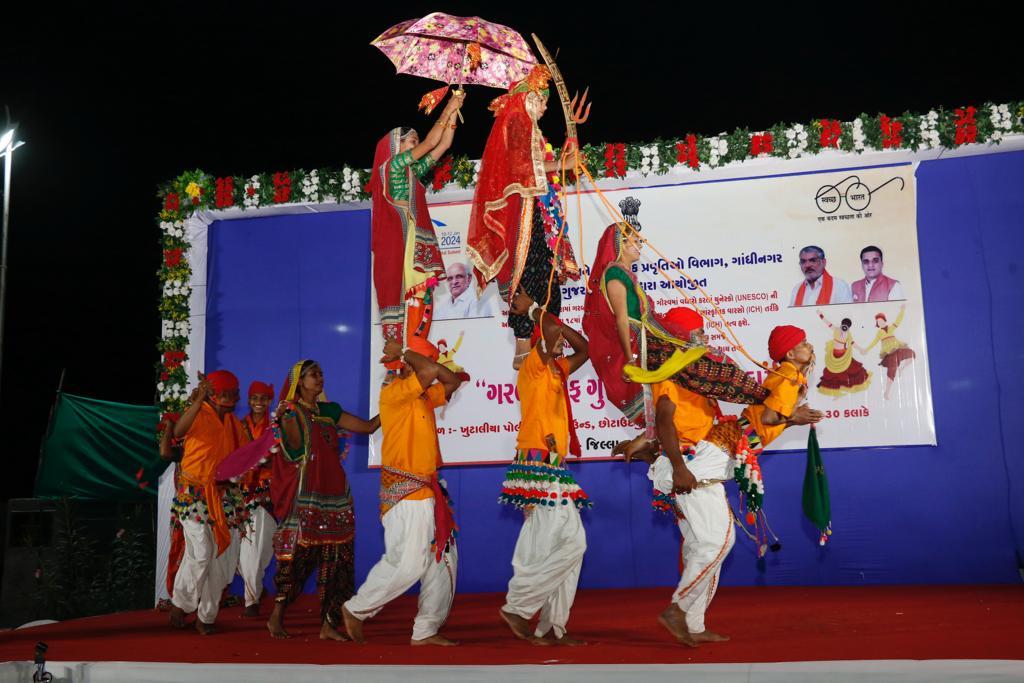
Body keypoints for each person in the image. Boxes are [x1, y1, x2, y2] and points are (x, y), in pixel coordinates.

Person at [638, 326, 823, 647]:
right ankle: (678, 608)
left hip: (726, 445)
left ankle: (693, 624)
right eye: (802, 343)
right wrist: (794, 417)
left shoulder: (786, 375)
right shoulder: (790, 376)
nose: (810, 346)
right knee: (719, 542)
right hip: (728, 446)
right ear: (790, 354)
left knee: (705, 545)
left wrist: (792, 415)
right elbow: (767, 419)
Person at [581, 222, 768, 458]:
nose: (640, 244)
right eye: (635, 240)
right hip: (644, 344)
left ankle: (761, 397)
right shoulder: (615, 274)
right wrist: (630, 361)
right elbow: (621, 320)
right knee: (701, 359)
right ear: (621, 242)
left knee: (706, 358)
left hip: (653, 341)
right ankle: (763, 399)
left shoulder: (625, 274)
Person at [342, 341, 464, 646]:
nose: (431, 369)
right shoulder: (394, 393)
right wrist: (406, 350)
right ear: (407, 366)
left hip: (429, 490)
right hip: (406, 493)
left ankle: (426, 630)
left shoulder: (424, 397)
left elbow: (450, 380)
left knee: (442, 561)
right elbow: (433, 370)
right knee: (408, 563)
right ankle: (357, 609)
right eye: (424, 362)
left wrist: (412, 354)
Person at [467, 65, 581, 369]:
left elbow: (537, 165)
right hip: (524, 216)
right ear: (528, 97)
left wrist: (561, 159)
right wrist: (562, 163)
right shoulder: (517, 120)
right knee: (532, 272)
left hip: (539, 213)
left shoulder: (529, 127)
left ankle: (544, 338)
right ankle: (522, 344)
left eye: (546, 101)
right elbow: (521, 170)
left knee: (548, 278)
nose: (544, 107)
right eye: (541, 100)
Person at [263, 361, 380, 641]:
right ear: (300, 382)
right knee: (297, 558)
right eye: (314, 375)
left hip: (337, 495)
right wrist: (284, 418)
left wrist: (395, 400)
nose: (320, 379)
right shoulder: (290, 412)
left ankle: (329, 624)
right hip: (306, 497)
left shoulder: (329, 411)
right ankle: (276, 616)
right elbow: (294, 447)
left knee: (339, 561)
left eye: (321, 374)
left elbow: (367, 427)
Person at [498, 300, 590, 646]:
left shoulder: (557, 370)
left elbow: (586, 348)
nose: (560, 343)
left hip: (552, 466)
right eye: (554, 341)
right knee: (568, 543)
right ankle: (518, 608)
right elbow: (550, 330)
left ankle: (552, 627)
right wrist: (536, 311)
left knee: (561, 544)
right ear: (540, 344)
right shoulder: (534, 367)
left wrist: (557, 328)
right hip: (539, 465)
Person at [369, 91, 465, 348]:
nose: (417, 144)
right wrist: (448, 106)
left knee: (420, 317)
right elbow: (433, 142)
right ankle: (402, 371)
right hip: (401, 257)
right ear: (395, 146)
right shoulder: (393, 167)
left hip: (415, 258)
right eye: (412, 141)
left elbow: (442, 145)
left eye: (416, 141)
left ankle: (413, 365)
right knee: (406, 323)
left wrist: (455, 111)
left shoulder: (411, 172)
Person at [169, 370, 247, 635]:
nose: (232, 397)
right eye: (226, 392)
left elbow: (246, 459)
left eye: (235, 393)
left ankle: (207, 617)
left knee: (222, 563)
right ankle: (181, 602)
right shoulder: (199, 413)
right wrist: (197, 401)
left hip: (224, 499)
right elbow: (178, 431)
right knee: (201, 553)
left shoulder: (235, 425)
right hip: (194, 496)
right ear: (213, 394)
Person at [236, 381, 276, 617]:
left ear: (269, 401)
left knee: (263, 548)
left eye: (263, 399)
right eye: (254, 398)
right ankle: (251, 598)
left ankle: (256, 586)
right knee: (248, 546)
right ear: (248, 401)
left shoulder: (275, 428)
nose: (258, 403)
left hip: (270, 493)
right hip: (243, 492)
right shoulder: (239, 426)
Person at [859, 304, 916, 399]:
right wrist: (866, 349)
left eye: (881, 320)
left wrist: (902, 310)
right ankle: (886, 393)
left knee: (911, 354)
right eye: (878, 322)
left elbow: (899, 320)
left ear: (884, 320)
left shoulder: (891, 328)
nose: (880, 322)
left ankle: (902, 368)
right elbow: (874, 342)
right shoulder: (879, 333)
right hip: (889, 354)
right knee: (891, 372)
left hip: (897, 349)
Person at [815, 311, 871, 396]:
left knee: (850, 367)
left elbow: (852, 343)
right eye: (844, 324)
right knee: (831, 368)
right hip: (834, 353)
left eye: (847, 325)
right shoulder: (836, 329)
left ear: (848, 327)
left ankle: (849, 383)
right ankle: (824, 382)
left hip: (843, 354)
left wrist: (860, 349)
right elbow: (828, 324)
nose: (844, 327)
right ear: (841, 324)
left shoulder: (848, 334)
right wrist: (821, 316)